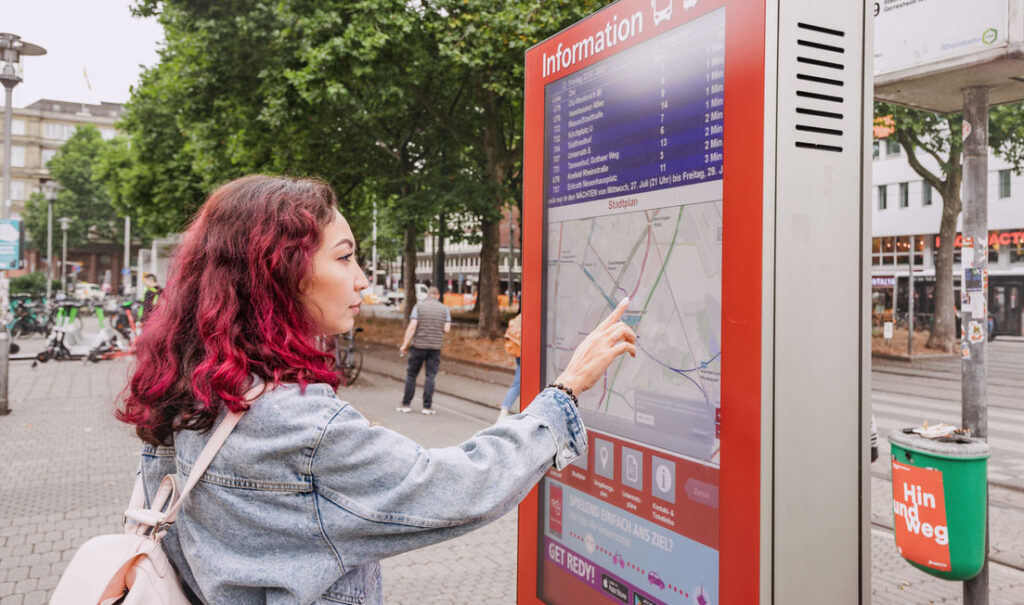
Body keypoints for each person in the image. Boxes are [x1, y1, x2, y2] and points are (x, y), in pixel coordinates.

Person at [116, 175, 636, 604]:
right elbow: (455, 488)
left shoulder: (191, 390)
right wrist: (564, 393)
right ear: (280, 274)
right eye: (344, 258)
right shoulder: (301, 428)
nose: (362, 279)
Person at [397, 285, 450, 415]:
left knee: (411, 375)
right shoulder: (444, 309)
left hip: (418, 346)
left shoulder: (419, 306)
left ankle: (406, 404)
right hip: (435, 348)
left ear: (427, 295)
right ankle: (427, 407)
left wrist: (404, 344)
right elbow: (447, 329)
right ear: (437, 296)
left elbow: (412, 326)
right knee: (430, 376)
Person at [498, 312, 522, 420]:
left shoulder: (520, 316)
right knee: (518, 384)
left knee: (518, 383)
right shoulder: (534, 315)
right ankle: (504, 410)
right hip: (524, 351)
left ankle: (505, 409)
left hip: (518, 350)